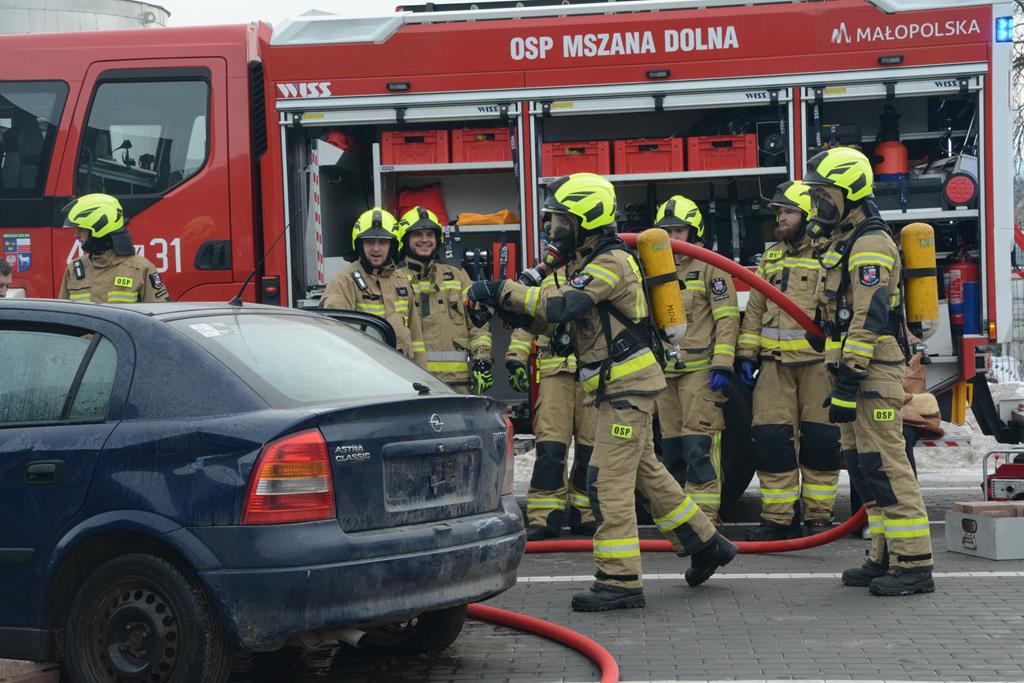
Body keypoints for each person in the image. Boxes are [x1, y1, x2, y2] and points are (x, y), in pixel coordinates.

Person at [467, 172, 737, 612]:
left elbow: (563, 305)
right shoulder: (587, 262)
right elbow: (559, 323)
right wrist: (505, 308)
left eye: (561, 220)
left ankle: (620, 580)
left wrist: (500, 289)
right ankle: (708, 544)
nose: (554, 229)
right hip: (619, 388)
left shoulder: (610, 262)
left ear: (586, 220)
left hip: (626, 390)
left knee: (606, 482)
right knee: (649, 474)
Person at [804, 146, 934, 596]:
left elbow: (869, 316)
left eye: (824, 194)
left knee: (887, 465)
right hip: (852, 370)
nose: (817, 203)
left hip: (871, 371)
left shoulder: (871, 242)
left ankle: (914, 563)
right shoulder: (844, 240)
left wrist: (849, 377)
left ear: (850, 193)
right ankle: (883, 554)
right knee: (864, 468)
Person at [737, 180, 841, 540]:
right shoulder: (771, 258)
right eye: (779, 212)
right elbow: (755, 310)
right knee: (770, 442)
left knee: (821, 444)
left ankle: (818, 517)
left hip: (817, 366)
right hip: (774, 366)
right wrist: (746, 355)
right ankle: (778, 520)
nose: (780, 218)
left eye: (789, 212)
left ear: (809, 216)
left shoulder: (828, 255)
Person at [652, 195, 739, 526]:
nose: (672, 238)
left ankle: (705, 519)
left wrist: (723, 363)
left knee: (698, 446)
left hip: (700, 374)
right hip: (666, 375)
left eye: (678, 231)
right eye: (666, 232)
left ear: (694, 232)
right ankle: (680, 520)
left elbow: (727, 318)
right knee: (672, 450)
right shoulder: (655, 269)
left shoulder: (711, 267)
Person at [506, 268, 597, 541]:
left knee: (591, 449)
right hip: (555, 375)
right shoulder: (546, 278)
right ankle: (545, 517)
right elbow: (528, 319)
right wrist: (516, 358)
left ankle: (587, 514)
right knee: (550, 448)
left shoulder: (600, 271)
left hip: (593, 374)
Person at [397, 206, 492, 393]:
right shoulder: (395, 279)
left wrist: (482, 360)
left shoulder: (458, 276)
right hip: (412, 384)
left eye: (430, 234)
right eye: (417, 234)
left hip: (458, 384)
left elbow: (478, 325)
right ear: (405, 239)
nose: (425, 240)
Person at [322, 207, 426, 366]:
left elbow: (416, 339)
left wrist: (421, 375)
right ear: (360, 245)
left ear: (392, 245)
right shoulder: (344, 281)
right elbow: (335, 340)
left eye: (383, 242)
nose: (376, 249)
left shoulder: (401, 281)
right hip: (365, 372)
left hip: (401, 372)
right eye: (370, 241)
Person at [59, 193, 170, 303]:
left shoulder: (141, 269)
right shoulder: (73, 270)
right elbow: (63, 313)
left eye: (81, 229)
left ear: (100, 227)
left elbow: (158, 312)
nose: (76, 235)